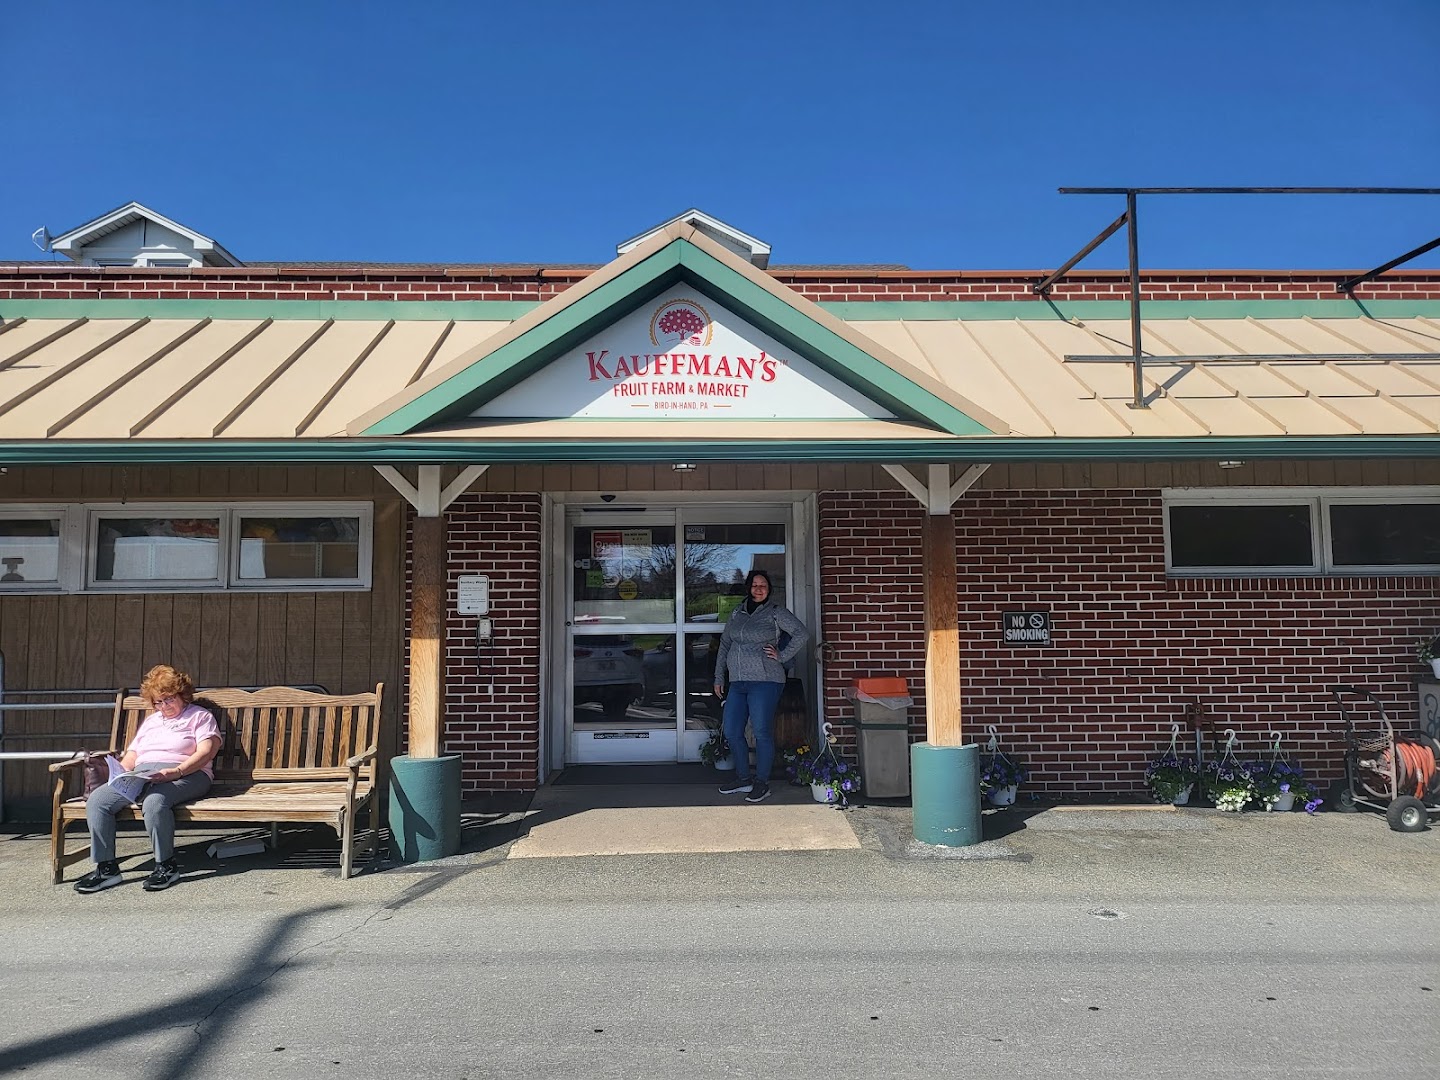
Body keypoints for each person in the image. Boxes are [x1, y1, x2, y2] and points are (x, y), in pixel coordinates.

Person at [74, 665, 222, 894]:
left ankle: (166, 866)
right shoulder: (152, 721)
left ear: (182, 694)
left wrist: (177, 772)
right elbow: (133, 753)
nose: (163, 706)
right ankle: (107, 869)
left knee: (154, 802)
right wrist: (121, 773)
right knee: (98, 800)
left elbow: (206, 752)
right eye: (157, 702)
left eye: (168, 699)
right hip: (143, 774)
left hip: (188, 773)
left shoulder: (200, 717)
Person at [713, 569, 808, 803]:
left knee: (761, 731)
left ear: (769, 589)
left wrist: (782, 656)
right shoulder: (738, 612)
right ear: (748, 587)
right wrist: (718, 677)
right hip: (737, 680)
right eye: (754, 584)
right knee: (733, 730)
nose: (758, 588)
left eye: (763, 585)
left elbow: (801, 633)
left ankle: (761, 782)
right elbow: (725, 643)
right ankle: (744, 778)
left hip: (766, 680)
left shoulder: (776, 613)